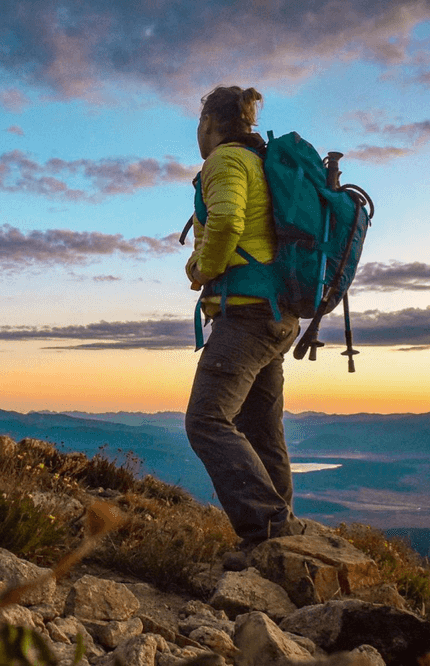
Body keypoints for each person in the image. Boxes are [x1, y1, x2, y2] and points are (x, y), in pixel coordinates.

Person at [184, 86, 306, 561]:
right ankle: (281, 539)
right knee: (261, 426)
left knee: (206, 420)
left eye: (198, 125)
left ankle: (267, 528)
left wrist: (201, 269)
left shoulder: (226, 160)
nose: (197, 134)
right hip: (279, 317)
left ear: (211, 124)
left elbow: (229, 220)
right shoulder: (260, 162)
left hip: (249, 317)